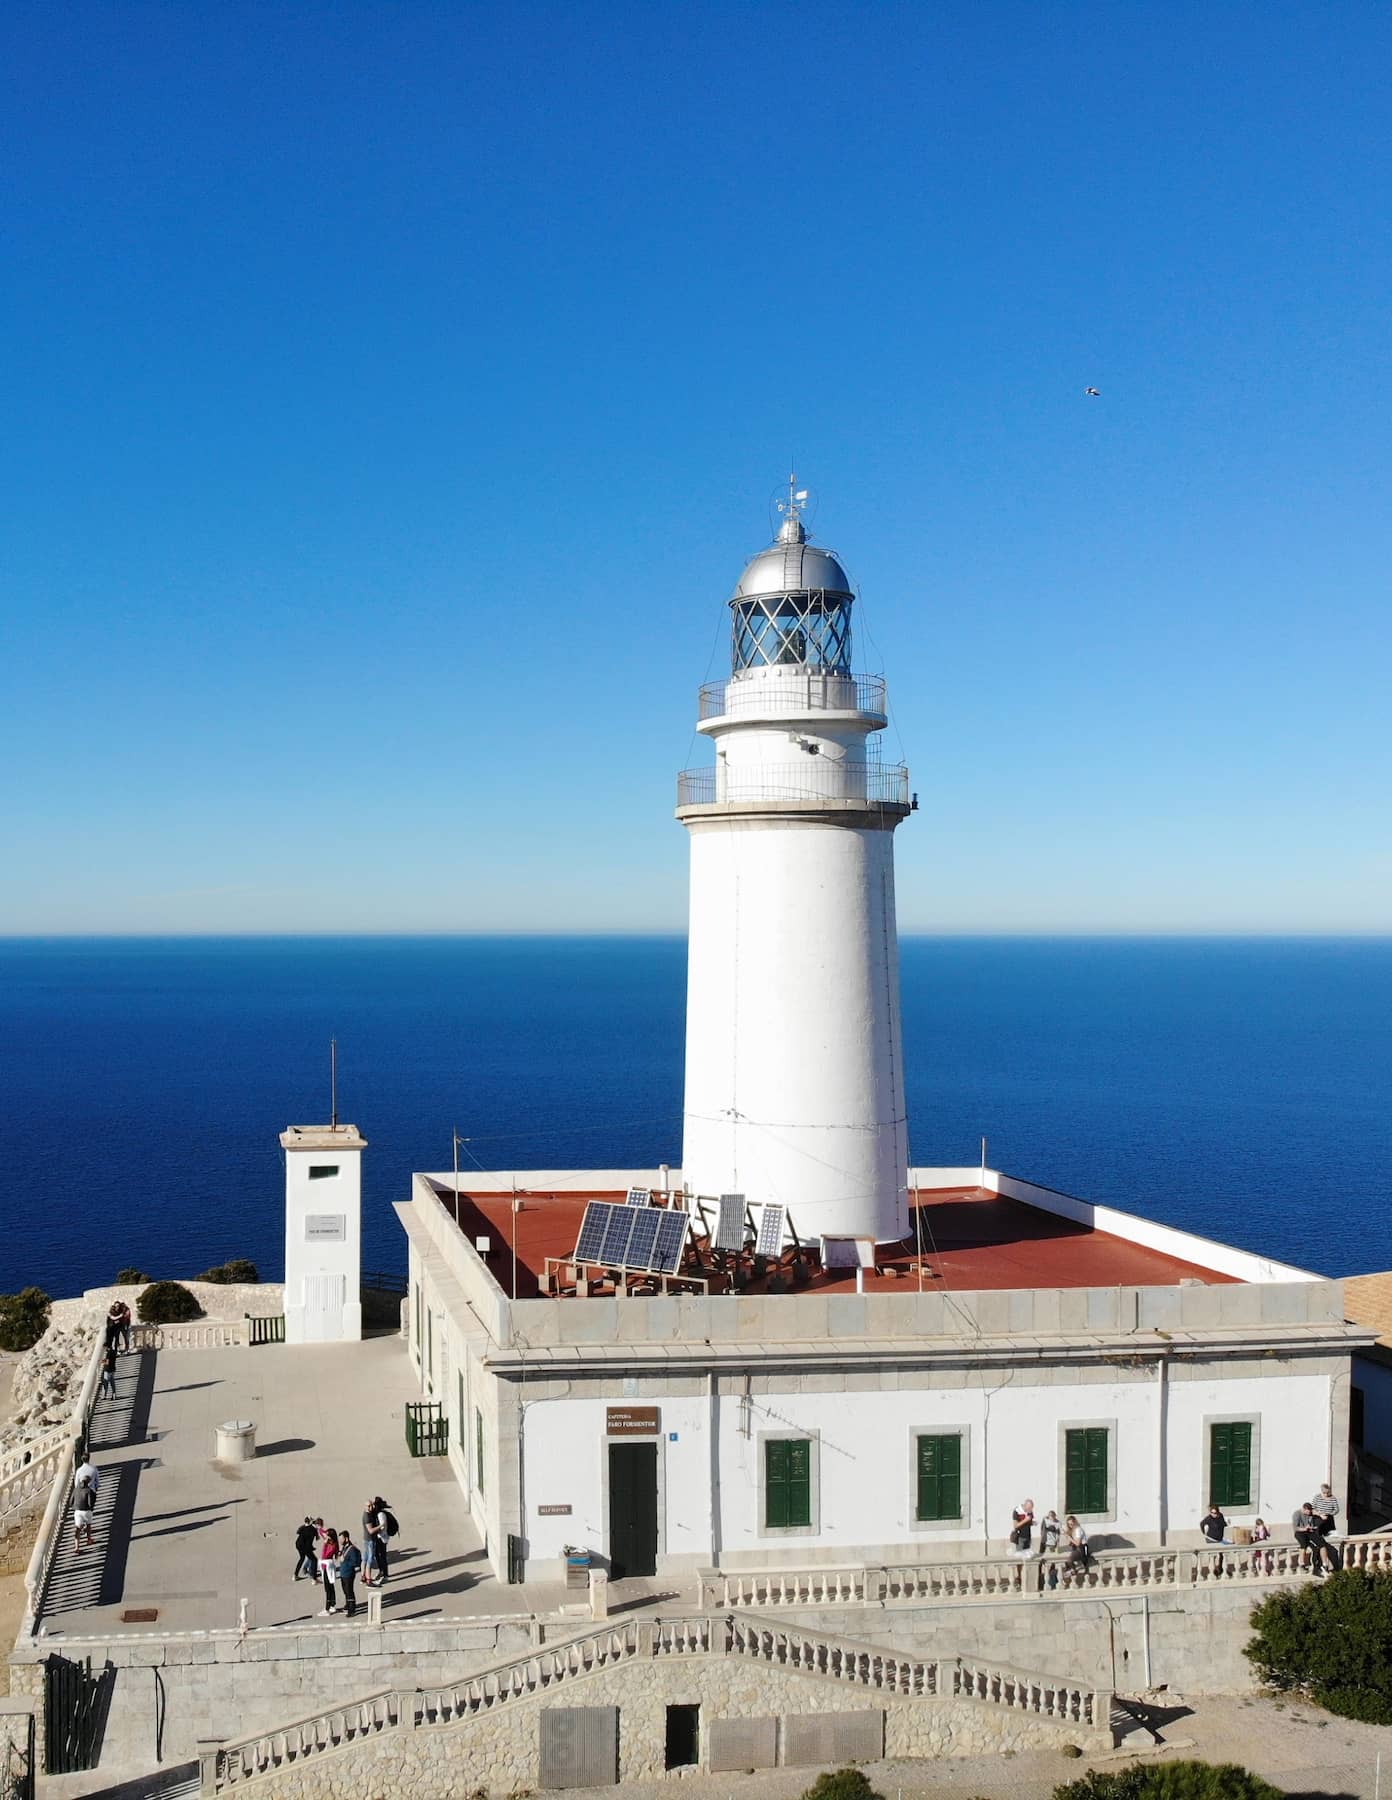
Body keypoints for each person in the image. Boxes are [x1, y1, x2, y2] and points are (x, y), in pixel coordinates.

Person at [1310, 1484, 1342, 1571]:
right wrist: (1320, 1514)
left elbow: (1336, 1510)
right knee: (1319, 1540)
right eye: (1324, 1493)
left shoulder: (1333, 1498)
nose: (1326, 1494)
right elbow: (1312, 1509)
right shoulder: (1317, 1497)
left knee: (1330, 1538)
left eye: (1327, 1493)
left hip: (1328, 1520)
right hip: (1318, 1519)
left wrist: (1329, 1514)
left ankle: (1331, 1562)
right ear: (1322, 1491)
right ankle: (1320, 1561)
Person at [337, 1530, 363, 1618]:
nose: (340, 1541)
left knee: (349, 1591)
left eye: (341, 1539)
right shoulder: (344, 1547)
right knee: (345, 1591)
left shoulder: (352, 1549)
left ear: (346, 1539)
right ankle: (348, 1604)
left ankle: (352, 1609)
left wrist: (345, 1560)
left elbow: (355, 1562)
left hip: (349, 1574)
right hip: (343, 1573)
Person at [1293, 1501, 1323, 1573]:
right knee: (1304, 1545)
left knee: (1319, 1544)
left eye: (1310, 1511)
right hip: (1299, 1532)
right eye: (1308, 1511)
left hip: (1308, 1531)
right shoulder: (1297, 1514)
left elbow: (1312, 1522)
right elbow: (1295, 1527)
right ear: (1304, 1509)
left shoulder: (1310, 1514)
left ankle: (1316, 1563)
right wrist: (1304, 1529)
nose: (1309, 1513)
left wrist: (1312, 1528)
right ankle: (1302, 1563)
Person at [1200, 1503, 1228, 1574]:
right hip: (1211, 1539)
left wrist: (1226, 1523)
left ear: (1217, 1512)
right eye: (1212, 1512)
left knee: (1221, 1555)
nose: (1213, 1514)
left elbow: (1223, 1524)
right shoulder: (1209, 1518)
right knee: (1213, 1555)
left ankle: (1220, 1568)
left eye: (1215, 1513)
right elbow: (1202, 1524)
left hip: (1219, 1538)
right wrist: (1204, 1533)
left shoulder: (1221, 1516)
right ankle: (1213, 1570)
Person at [317, 1526, 340, 1614]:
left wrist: (324, 1544)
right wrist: (319, 1527)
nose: (325, 1537)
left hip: (327, 1567)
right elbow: (322, 1532)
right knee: (330, 1586)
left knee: (328, 1587)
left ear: (330, 1537)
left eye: (327, 1536)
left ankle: (328, 1607)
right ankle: (332, 1604)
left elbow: (324, 1556)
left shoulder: (332, 1545)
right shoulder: (330, 1541)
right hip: (324, 1567)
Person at [73, 1473, 97, 1549]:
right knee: (88, 1525)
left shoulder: (76, 1490)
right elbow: (90, 1503)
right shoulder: (89, 1490)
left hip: (77, 1511)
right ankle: (89, 1539)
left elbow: (71, 1502)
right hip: (86, 1511)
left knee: (77, 1529)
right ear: (88, 1482)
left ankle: (77, 1547)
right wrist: (91, 1508)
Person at [1064, 1515, 1090, 1580]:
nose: (1071, 1526)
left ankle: (1074, 1570)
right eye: (1069, 1524)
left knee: (1069, 1560)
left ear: (1075, 1522)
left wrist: (1070, 1538)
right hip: (1077, 1548)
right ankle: (1072, 1571)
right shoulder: (1073, 1530)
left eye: (1072, 1524)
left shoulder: (1078, 1530)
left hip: (1083, 1548)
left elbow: (1078, 1543)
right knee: (1067, 1562)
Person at [293, 1517, 319, 1581]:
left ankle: (295, 1575)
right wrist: (311, 1548)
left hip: (298, 1545)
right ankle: (312, 1576)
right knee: (314, 1559)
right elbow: (310, 1541)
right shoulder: (313, 1530)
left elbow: (298, 1532)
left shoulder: (302, 1527)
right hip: (305, 1547)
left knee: (302, 1558)